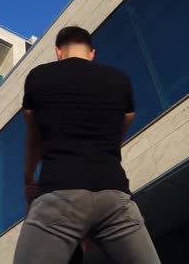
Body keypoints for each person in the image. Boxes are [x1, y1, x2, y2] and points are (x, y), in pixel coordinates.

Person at [14, 26, 161, 264]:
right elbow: (123, 125)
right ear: (92, 53)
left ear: (58, 52)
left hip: (58, 194)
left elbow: (34, 135)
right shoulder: (119, 80)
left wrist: (29, 180)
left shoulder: (38, 77)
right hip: (114, 195)